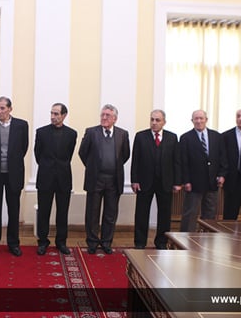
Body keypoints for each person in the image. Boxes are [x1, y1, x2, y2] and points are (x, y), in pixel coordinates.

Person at [79, 104, 130, 254]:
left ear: (115, 118)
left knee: (110, 214)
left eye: (108, 115)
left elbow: (125, 155)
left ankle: (107, 242)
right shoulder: (91, 132)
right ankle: (92, 242)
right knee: (92, 213)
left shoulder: (122, 134)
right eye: (102, 114)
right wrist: (93, 167)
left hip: (114, 180)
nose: (104, 117)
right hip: (96, 179)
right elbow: (83, 153)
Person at [0, 96, 29, 257]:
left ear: (10, 109)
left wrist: (12, 162)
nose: (0, 111)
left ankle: (13, 244)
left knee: (13, 210)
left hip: (13, 174)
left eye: (2, 108)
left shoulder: (21, 125)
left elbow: (23, 148)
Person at [130, 109, 181, 250]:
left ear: (164, 122)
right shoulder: (141, 136)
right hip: (144, 182)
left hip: (165, 182)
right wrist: (134, 180)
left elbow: (176, 161)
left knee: (164, 214)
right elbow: (135, 160)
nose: (154, 122)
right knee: (141, 213)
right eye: (152, 119)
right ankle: (140, 242)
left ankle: (161, 242)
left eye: (157, 120)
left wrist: (177, 182)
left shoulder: (172, 137)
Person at [35, 103, 77, 255]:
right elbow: (38, 154)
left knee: (62, 212)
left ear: (64, 115)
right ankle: (42, 242)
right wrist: (48, 167)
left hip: (63, 178)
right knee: (43, 212)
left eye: (56, 114)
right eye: (51, 113)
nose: (53, 116)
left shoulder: (72, 134)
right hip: (45, 177)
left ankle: (61, 242)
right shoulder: (41, 132)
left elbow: (69, 155)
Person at [179, 110, 228, 232]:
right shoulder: (185, 138)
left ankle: (206, 238)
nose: (199, 121)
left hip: (212, 182)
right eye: (196, 119)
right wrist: (186, 181)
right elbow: (183, 161)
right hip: (193, 184)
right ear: (192, 121)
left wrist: (222, 175)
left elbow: (223, 158)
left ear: (206, 119)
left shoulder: (217, 136)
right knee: (190, 213)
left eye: (201, 118)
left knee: (210, 213)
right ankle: (186, 239)